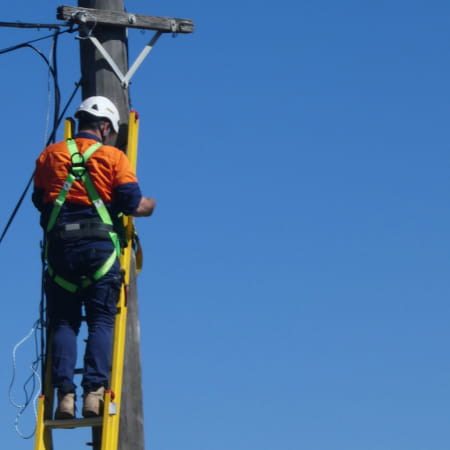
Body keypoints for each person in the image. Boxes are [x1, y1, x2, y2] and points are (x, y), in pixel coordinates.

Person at [32, 96, 155, 419]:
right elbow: (132, 204)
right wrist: (150, 206)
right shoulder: (113, 157)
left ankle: (65, 397)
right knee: (101, 320)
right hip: (99, 249)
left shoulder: (50, 155)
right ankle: (94, 393)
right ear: (104, 127)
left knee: (63, 321)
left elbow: (40, 200)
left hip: (61, 250)